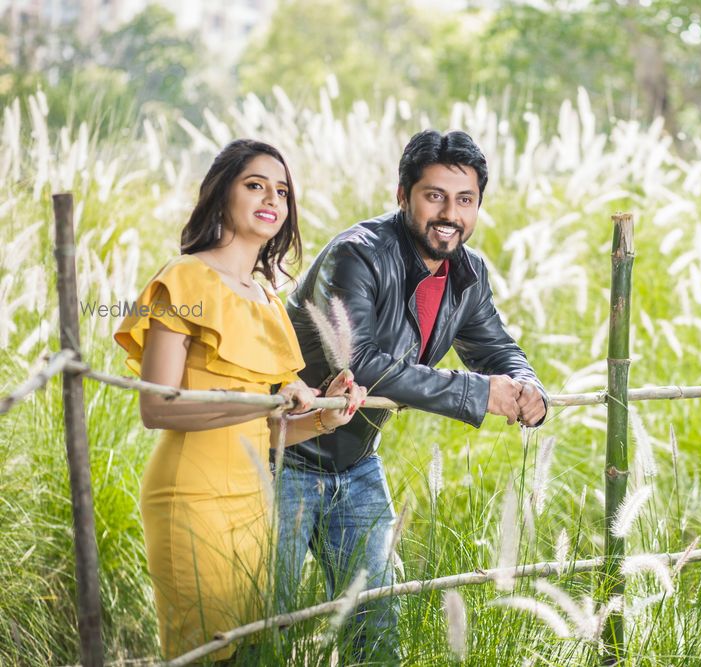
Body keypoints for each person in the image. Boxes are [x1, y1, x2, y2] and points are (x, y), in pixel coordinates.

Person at [280, 129, 548, 662]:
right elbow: (357, 363)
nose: (450, 213)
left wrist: (529, 388)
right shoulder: (357, 254)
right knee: (266, 628)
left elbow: (496, 349)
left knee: (376, 632)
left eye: (465, 199)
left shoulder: (467, 275)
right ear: (403, 195)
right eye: (434, 196)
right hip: (278, 458)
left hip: (355, 464)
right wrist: (478, 393)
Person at [114, 139, 366, 661]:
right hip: (191, 497)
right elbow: (156, 408)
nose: (271, 197)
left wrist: (324, 415)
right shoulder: (183, 277)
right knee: (204, 651)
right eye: (255, 184)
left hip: (255, 504)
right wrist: (266, 404)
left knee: (250, 652)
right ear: (221, 193)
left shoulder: (267, 299)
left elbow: (269, 430)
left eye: (282, 191)